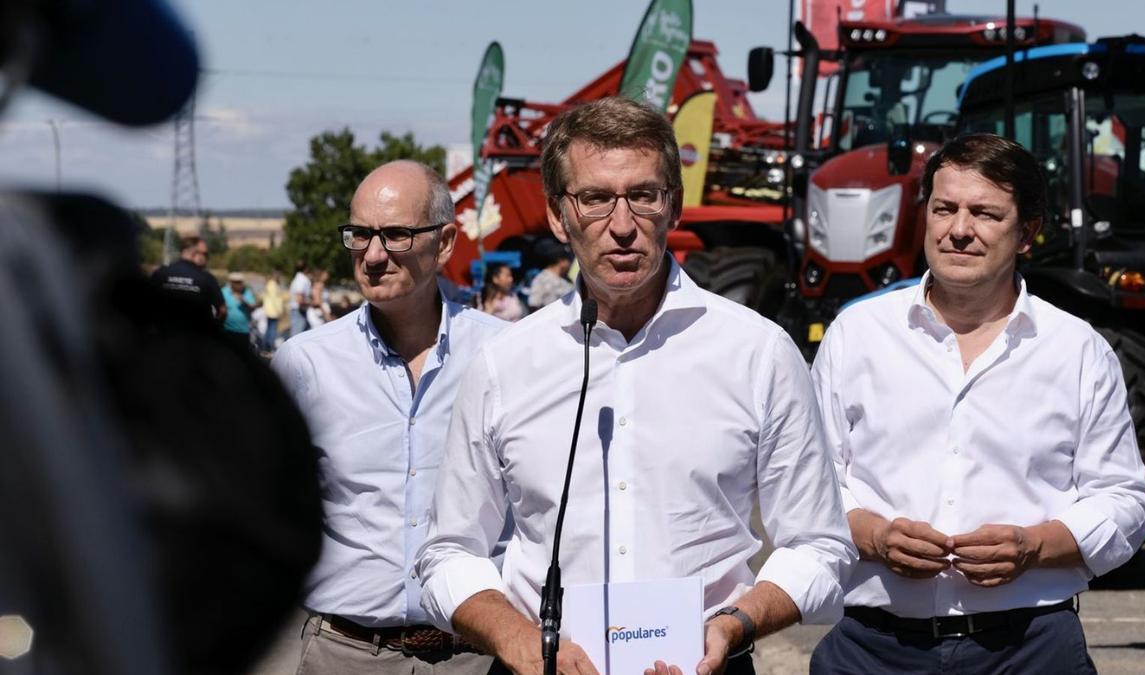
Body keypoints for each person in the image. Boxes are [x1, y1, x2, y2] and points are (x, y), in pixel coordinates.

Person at [416, 97, 854, 675]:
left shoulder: (759, 352)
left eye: (643, 195)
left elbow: (819, 546)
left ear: (671, 206)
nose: (621, 225)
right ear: (557, 216)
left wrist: (734, 624)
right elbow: (448, 552)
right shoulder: (504, 365)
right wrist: (517, 638)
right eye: (595, 198)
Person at [808, 133, 1145, 674]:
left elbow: (1126, 500)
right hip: (874, 648)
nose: (959, 230)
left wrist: (1034, 546)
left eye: (985, 214)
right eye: (944, 209)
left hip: (1030, 649)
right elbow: (812, 482)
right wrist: (875, 536)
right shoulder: (858, 334)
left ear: (1027, 233)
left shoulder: (1077, 349)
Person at [272, 160, 506, 675]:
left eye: (396, 234)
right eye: (360, 235)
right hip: (345, 652)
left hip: (475, 657)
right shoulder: (306, 364)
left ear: (445, 243)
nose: (373, 255)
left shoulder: (505, 356)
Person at [150, 235, 226, 324]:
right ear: (194, 254)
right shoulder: (206, 278)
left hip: (163, 334)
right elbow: (222, 311)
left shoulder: (160, 274)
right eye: (205, 254)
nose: (206, 258)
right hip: (196, 335)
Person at [526, 240, 574, 310]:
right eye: (568, 259)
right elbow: (533, 304)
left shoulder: (567, 280)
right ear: (561, 261)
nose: (570, 263)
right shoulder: (542, 279)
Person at [221, 271, 258, 348]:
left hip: (243, 331)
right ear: (231, 282)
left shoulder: (247, 292)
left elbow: (253, 308)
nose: (239, 284)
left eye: (240, 282)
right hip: (227, 330)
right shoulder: (224, 292)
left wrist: (244, 301)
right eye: (236, 282)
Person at [261, 268, 287, 352]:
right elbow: (274, 299)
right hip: (273, 311)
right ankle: (269, 347)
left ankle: (265, 347)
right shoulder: (273, 285)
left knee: (269, 329)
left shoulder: (271, 284)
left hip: (270, 311)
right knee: (272, 330)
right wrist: (279, 311)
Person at [288, 260, 312, 338]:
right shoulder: (302, 280)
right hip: (299, 310)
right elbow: (300, 299)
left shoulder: (297, 279)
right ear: (306, 268)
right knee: (297, 336)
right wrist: (311, 302)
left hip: (297, 310)